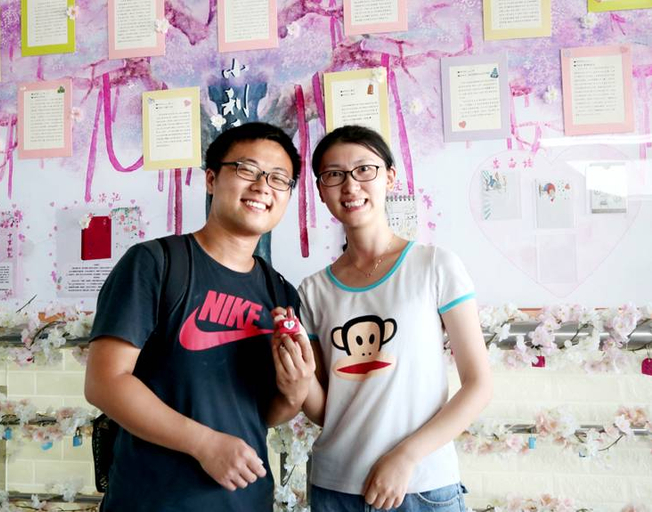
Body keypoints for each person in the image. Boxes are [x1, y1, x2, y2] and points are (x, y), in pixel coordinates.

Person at [85, 122, 316, 512]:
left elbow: (262, 412)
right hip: (153, 501)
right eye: (247, 169)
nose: (263, 186)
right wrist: (204, 444)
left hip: (246, 501)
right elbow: (104, 383)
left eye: (279, 178)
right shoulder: (155, 263)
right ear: (211, 179)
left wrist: (295, 392)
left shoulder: (280, 293)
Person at [289, 125, 492, 512]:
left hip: (421, 488)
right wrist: (297, 379)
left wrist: (406, 456)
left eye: (364, 169)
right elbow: (325, 410)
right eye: (334, 174)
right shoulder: (313, 290)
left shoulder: (435, 266)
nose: (350, 186)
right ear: (320, 190)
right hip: (335, 489)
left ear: (390, 177)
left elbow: (479, 385)